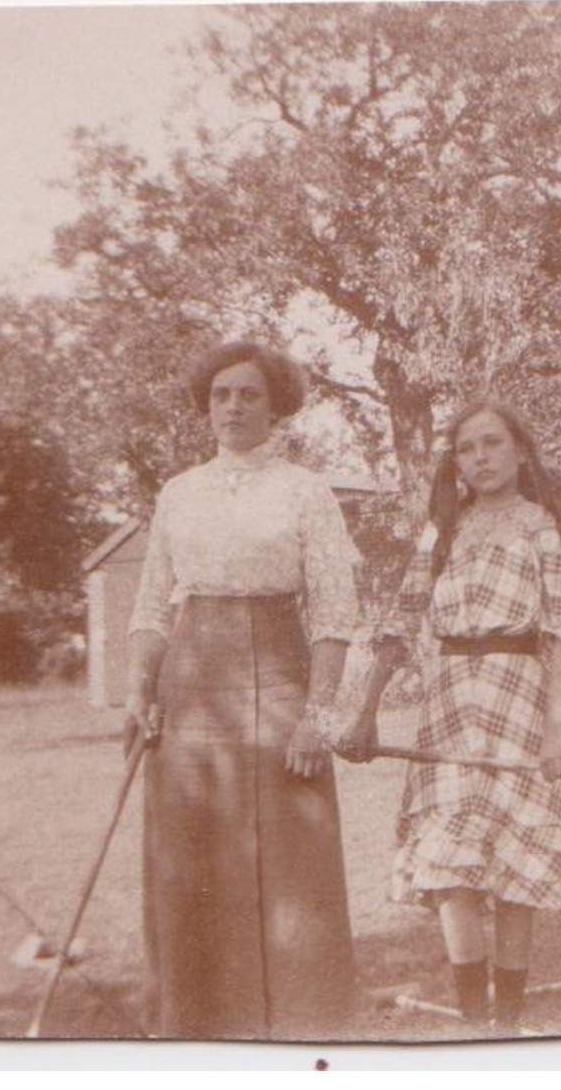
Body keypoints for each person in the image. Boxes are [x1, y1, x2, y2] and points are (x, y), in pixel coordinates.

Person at [336, 400, 561, 1034]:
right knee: (450, 863)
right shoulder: (442, 532)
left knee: (514, 866)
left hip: (521, 699)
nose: (479, 458)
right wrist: (365, 711)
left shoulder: (545, 530)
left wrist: (556, 725)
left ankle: (505, 1021)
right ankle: (472, 1020)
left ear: (520, 452)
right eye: (466, 448)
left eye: (492, 444)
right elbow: (399, 621)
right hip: (449, 704)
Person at [125, 340, 361, 1040]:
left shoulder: (305, 490)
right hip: (190, 686)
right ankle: (196, 1020)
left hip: (280, 676)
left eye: (249, 394)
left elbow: (335, 615)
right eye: (221, 394)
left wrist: (318, 715)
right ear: (206, 405)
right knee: (193, 855)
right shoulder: (179, 492)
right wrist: (140, 686)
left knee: (291, 859)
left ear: (275, 406)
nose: (233, 406)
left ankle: (301, 1024)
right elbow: (147, 609)